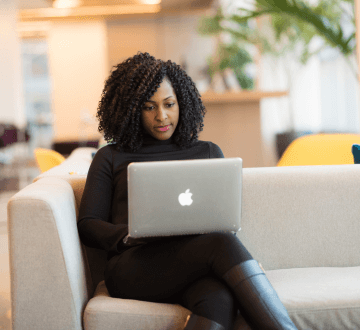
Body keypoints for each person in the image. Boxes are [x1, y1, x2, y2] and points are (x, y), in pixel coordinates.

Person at [77, 52, 298, 330]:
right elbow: (88, 224)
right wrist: (129, 235)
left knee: (218, 297)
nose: (162, 116)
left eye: (169, 104)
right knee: (221, 244)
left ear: (182, 102)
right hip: (133, 267)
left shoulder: (208, 152)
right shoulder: (110, 156)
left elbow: (224, 217)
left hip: (195, 263)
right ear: (132, 109)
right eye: (149, 107)